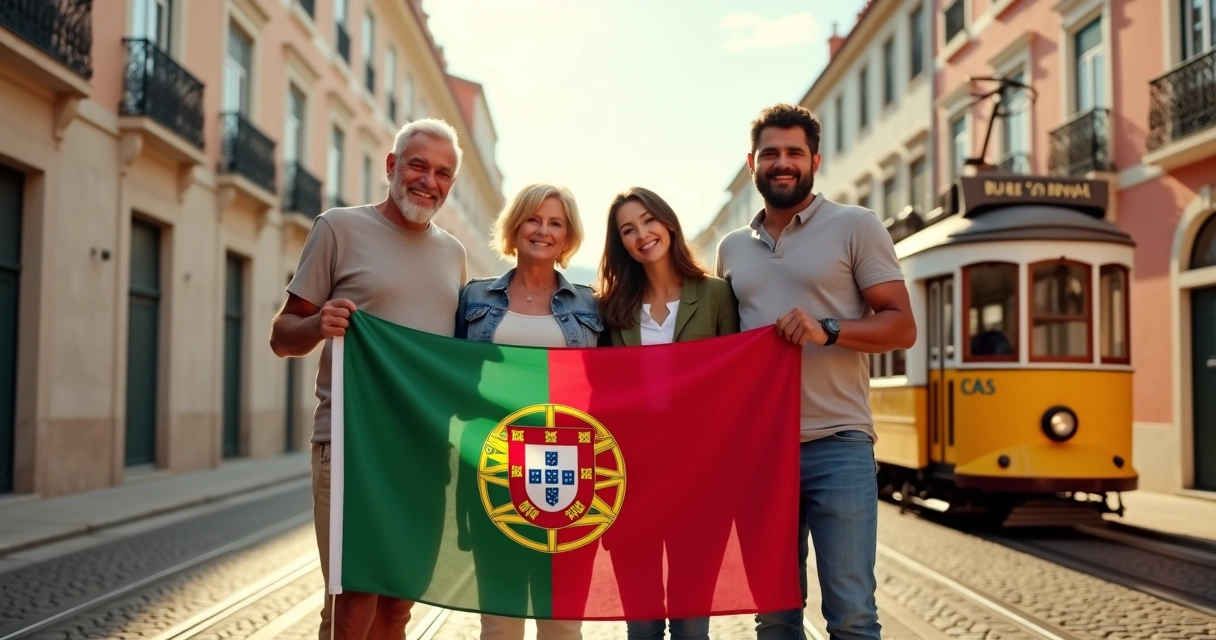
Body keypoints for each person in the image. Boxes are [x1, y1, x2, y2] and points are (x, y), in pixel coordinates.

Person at [715, 103, 916, 640]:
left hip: (839, 444)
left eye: (794, 153)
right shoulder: (731, 248)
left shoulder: (856, 226)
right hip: (761, 451)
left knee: (851, 614)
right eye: (771, 153)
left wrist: (827, 328)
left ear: (815, 160)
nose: (783, 163)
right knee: (774, 616)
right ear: (752, 162)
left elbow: (901, 328)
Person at [269, 118, 468, 640]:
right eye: (418, 165)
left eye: (443, 173)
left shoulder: (454, 255)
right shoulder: (337, 227)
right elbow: (282, 335)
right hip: (351, 444)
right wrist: (317, 323)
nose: (429, 180)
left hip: (423, 454)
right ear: (392, 166)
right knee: (352, 603)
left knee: (399, 606)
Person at [454, 183, 601, 640]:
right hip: (495, 468)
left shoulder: (591, 304)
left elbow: (612, 387)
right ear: (515, 227)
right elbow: (449, 377)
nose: (543, 230)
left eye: (555, 222)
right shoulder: (474, 298)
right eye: (534, 219)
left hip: (571, 472)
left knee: (561, 622)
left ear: (568, 236)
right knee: (500, 619)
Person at [596, 186, 738, 639]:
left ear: (668, 222)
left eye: (647, 221)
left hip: (700, 484)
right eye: (628, 230)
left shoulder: (716, 296)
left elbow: (735, 383)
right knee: (641, 628)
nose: (641, 235)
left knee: (692, 627)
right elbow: (602, 397)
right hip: (631, 486)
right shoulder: (612, 309)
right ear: (621, 243)